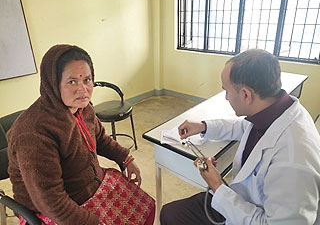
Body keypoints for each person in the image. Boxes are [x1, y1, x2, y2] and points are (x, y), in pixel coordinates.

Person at [160, 49, 320, 224]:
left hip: (247, 214)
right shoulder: (277, 110)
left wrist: (217, 185)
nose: (226, 98)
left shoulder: (294, 158)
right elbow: (244, 127)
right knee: (170, 213)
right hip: (240, 202)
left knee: (172, 217)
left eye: (226, 91)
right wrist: (204, 126)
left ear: (245, 94)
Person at [7, 44, 155, 225]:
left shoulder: (82, 108)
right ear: (52, 84)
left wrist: (125, 158)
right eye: (72, 82)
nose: (83, 89)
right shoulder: (33, 134)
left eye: (87, 80)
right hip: (55, 208)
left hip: (88, 187)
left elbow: (100, 139)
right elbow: (50, 200)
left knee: (143, 206)